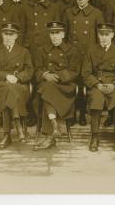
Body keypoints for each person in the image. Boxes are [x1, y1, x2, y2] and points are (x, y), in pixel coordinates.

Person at [33, 21, 81, 150]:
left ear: (63, 34)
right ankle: (53, 129)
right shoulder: (41, 50)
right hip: (48, 85)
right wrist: (44, 75)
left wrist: (58, 76)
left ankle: (50, 134)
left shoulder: (72, 51)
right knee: (47, 88)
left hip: (65, 87)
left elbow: (75, 71)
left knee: (46, 91)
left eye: (57, 33)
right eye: (52, 33)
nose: (54, 36)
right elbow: (37, 69)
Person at [82, 23, 115, 152]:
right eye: (101, 34)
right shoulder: (91, 51)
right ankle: (95, 136)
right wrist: (97, 84)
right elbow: (86, 73)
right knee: (96, 100)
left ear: (112, 35)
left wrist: (114, 84)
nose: (103, 38)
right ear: (98, 35)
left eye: (106, 35)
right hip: (97, 84)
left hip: (114, 84)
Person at [63, 0, 105, 126]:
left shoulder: (96, 13)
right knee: (71, 84)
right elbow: (65, 35)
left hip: (88, 54)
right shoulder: (69, 13)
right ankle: (71, 114)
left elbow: (101, 36)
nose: (80, 0)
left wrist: (98, 55)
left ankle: (82, 114)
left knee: (85, 86)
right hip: (72, 55)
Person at [0, 23, 33, 150]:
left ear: (16, 36)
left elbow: (29, 71)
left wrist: (18, 77)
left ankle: (6, 135)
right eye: (5, 34)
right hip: (1, 84)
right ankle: (17, 123)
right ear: (2, 35)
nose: (8, 37)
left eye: (11, 34)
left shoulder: (24, 52)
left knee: (9, 93)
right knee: (7, 91)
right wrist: (6, 76)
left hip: (19, 86)